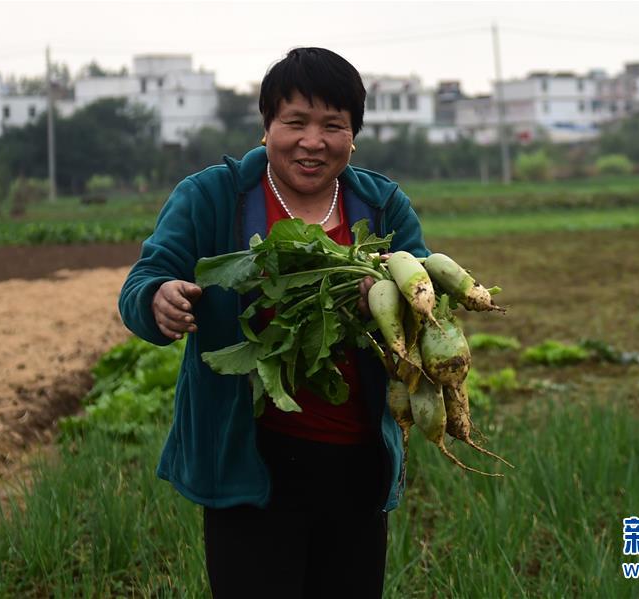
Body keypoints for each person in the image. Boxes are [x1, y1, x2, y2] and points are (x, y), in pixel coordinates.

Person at [119, 47, 429, 598]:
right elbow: (143, 282)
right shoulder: (213, 197)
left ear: (353, 135)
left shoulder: (382, 207)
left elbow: (421, 305)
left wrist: (385, 303)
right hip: (247, 466)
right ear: (267, 126)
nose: (313, 141)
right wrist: (158, 300)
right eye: (295, 122)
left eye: (333, 125)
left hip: (357, 466)